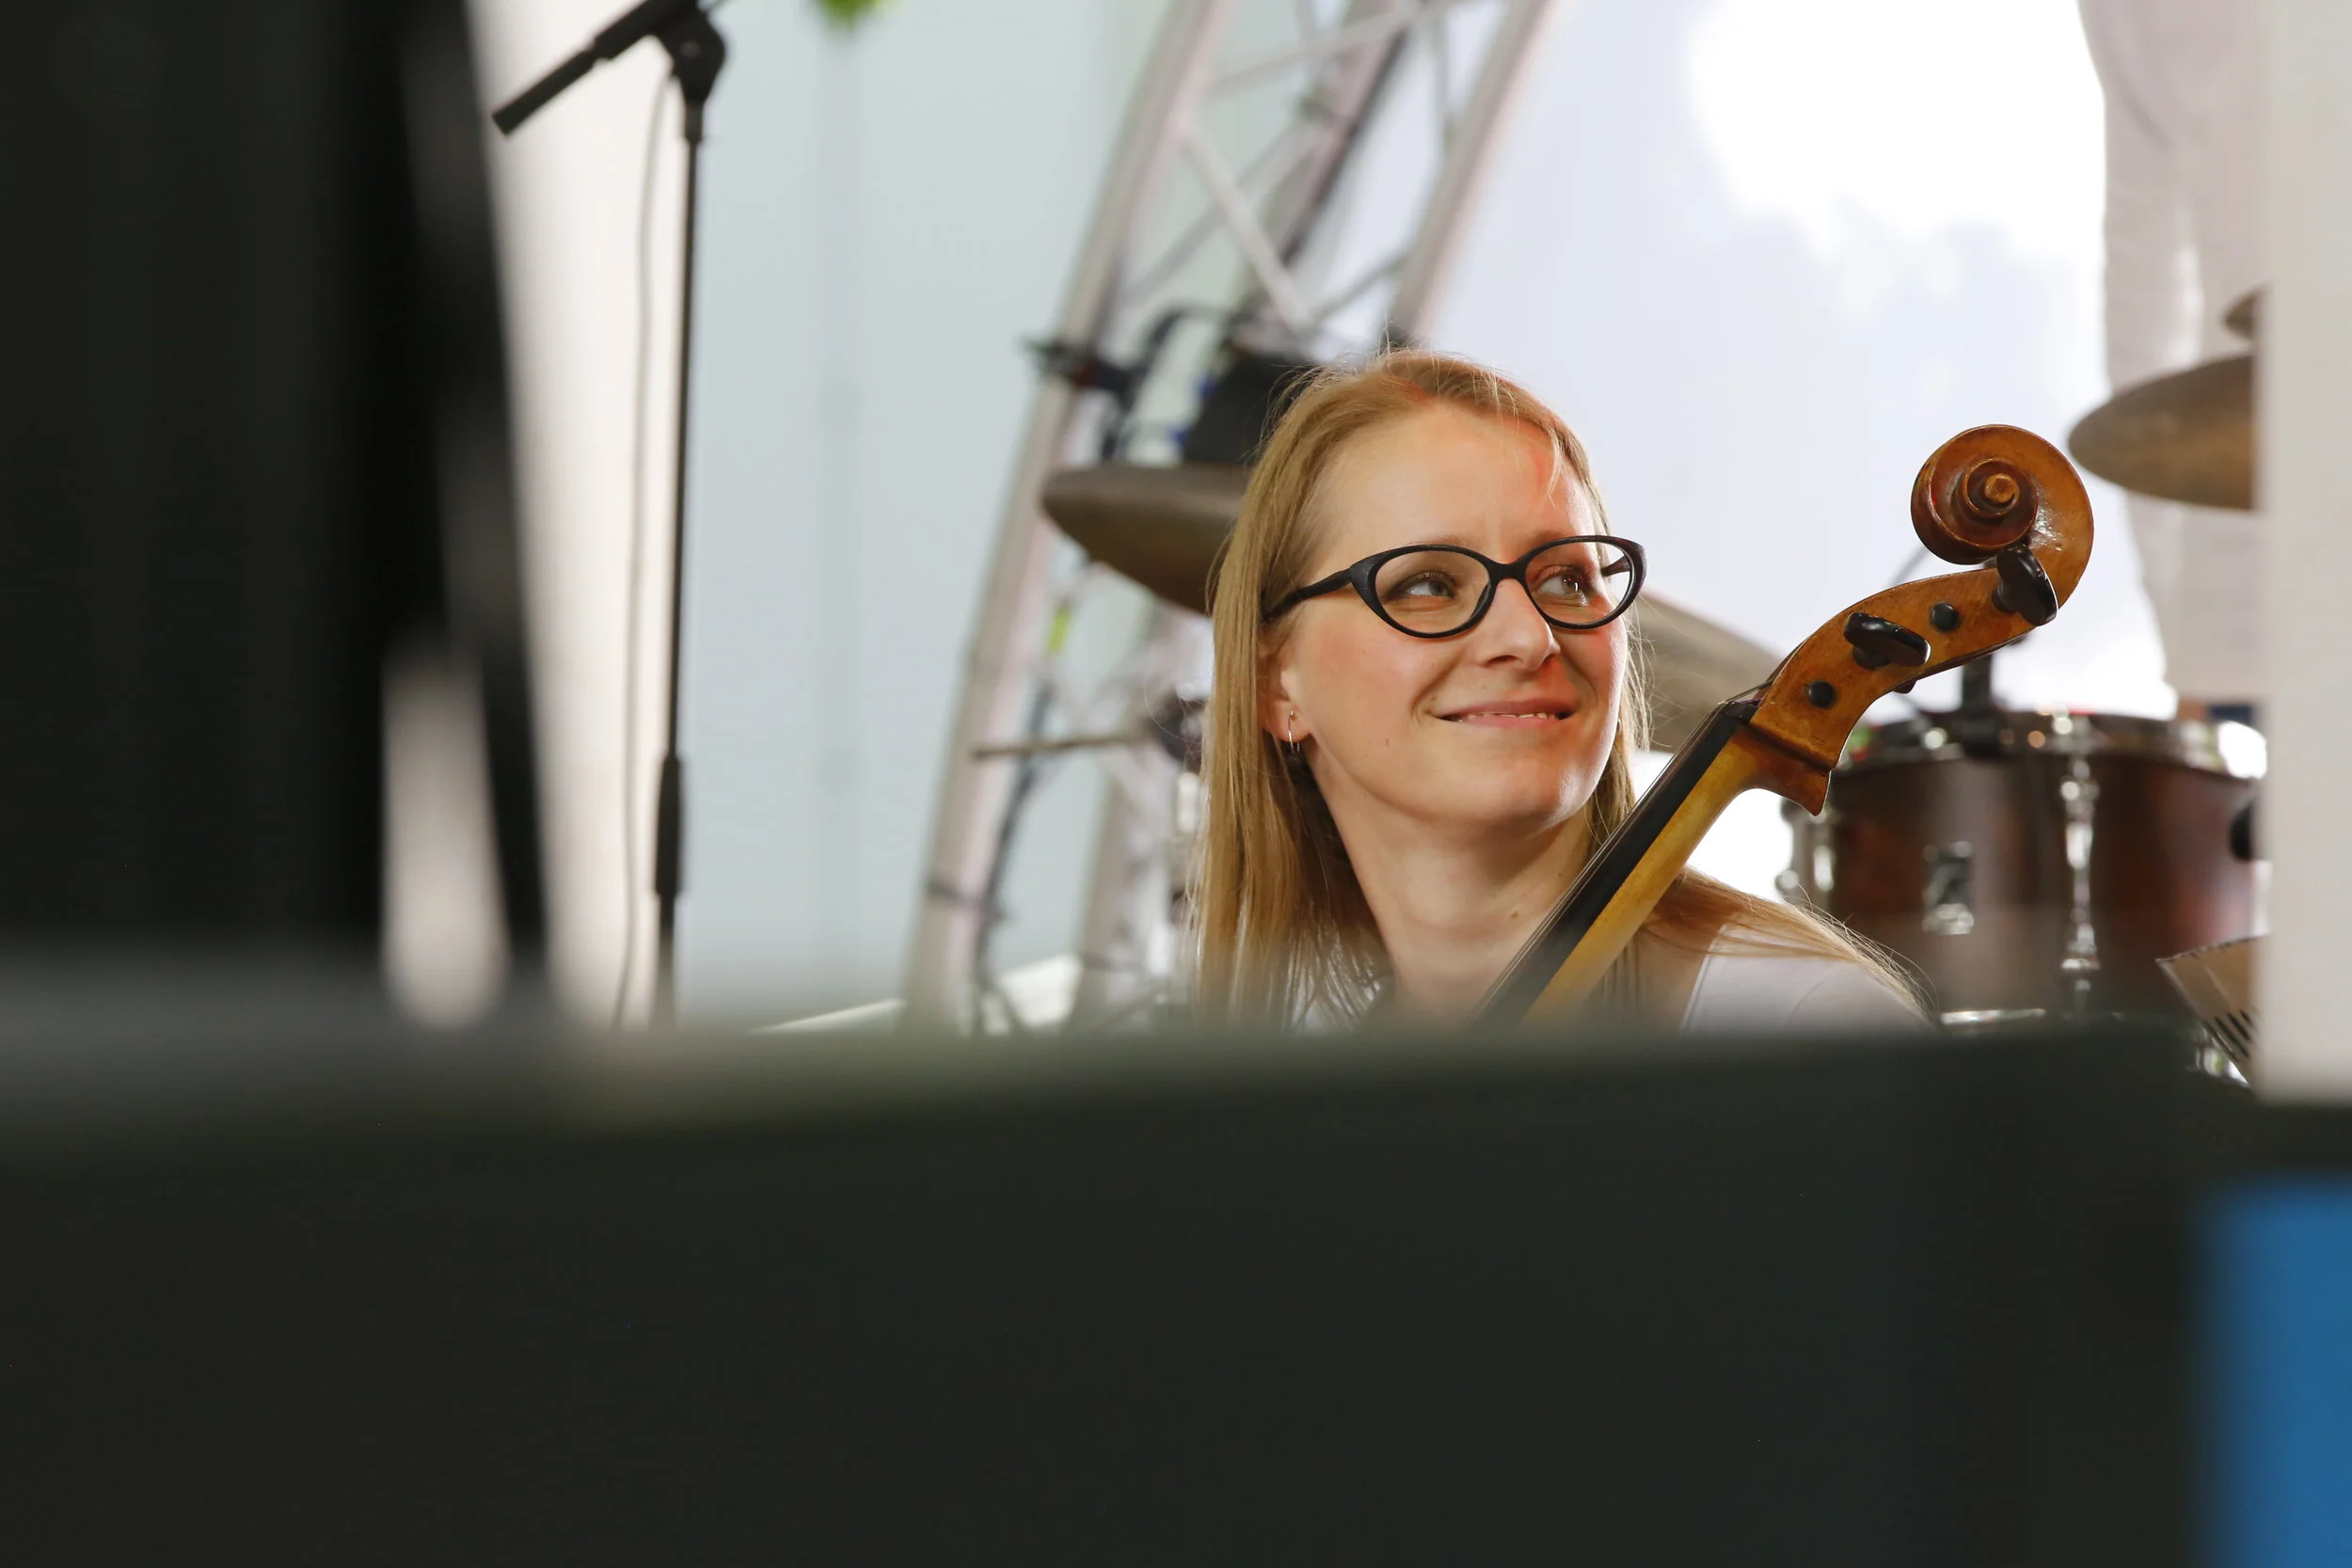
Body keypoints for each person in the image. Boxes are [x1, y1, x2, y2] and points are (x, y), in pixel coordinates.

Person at [1193, 351, 1921, 1034]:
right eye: (1428, 584)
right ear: (1274, 683)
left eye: (1566, 579)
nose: (1531, 636)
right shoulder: (1333, 1087)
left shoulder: (1797, 1027)